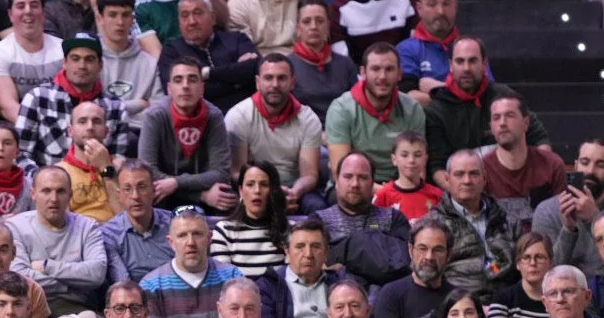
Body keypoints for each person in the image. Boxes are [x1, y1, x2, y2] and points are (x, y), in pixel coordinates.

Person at [423, 39, 547, 190]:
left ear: (484, 64)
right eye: (460, 61)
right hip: (464, 194)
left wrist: (537, 180)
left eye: (473, 61)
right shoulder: (436, 111)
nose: (466, 68)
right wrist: (468, 195)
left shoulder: (505, 96)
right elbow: (437, 168)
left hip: (514, 190)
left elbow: (540, 140)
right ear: (450, 65)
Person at [14, 33, 134, 170]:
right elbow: (20, 154)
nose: (82, 65)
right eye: (75, 59)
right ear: (64, 63)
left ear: (100, 65)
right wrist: (41, 178)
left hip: (99, 180)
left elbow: (118, 160)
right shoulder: (37, 98)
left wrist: (107, 173)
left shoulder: (116, 107)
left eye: (89, 59)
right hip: (47, 180)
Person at [530, 138, 604, 280]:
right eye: (585, 162)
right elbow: (546, 274)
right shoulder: (547, 211)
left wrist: (594, 218)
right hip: (560, 292)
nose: (590, 171)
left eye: (600, 165)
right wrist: (568, 230)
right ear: (576, 166)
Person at [224, 53, 322, 214]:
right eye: (268, 78)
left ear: (292, 82)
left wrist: (294, 193)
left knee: (316, 206)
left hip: (293, 189)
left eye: (282, 78)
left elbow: (309, 175)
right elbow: (236, 172)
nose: (275, 84)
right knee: (229, 203)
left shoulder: (308, 119)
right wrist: (268, 191)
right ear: (258, 82)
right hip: (254, 188)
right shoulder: (238, 116)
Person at [5, 166, 107, 318]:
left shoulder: (88, 227)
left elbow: (97, 273)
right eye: (46, 191)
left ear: (70, 195)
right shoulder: (15, 227)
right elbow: (20, 279)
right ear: (33, 194)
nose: (53, 199)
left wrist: (47, 266)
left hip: (80, 310)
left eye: (61, 191)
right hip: (31, 311)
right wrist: (72, 284)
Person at [139, 58, 234, 212]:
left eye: (192, 79)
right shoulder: (154, 116)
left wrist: (176, 182)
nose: (185, 86)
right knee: (147, 188)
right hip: (165, 193)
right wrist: (200, 196)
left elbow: (221, 173)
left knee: (225, 194)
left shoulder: (214, 116)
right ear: (169, 89)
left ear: (202, 87)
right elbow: (147, 171)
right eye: (178, 80)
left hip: (195, 188)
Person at [140, 207, 244, 318]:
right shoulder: (151, 285)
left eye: (197, 234)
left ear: (209, 238)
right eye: (182, 235)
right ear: (171, 242)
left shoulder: (232, 277)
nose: (190, 242)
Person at [325, 43, 422, 189]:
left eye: (389, 69)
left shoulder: (412, 108)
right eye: (375, 69)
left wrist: (403, 192)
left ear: (399, 74)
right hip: (354, 186)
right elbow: (339, 172)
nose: (382, 76)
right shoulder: (341, 109)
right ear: (363, 72)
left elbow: (418, 169)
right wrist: (386, 194)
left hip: (401, 186)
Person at [313, 153, 408, 289]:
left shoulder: (394, 218)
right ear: (337, 181)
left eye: (363, 177)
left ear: (372, 183)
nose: (355, 184)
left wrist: (344, 256)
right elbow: (315, 265)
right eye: (348, 176)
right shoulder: (319, 221)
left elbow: (401, 265)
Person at [158, 0, 258, 116]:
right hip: (201, 119)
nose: (192, 22)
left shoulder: (237, 39)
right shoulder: (171, 52)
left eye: (198, 13)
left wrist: (207, 73)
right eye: (185, 15)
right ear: (179, 23)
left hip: (248, 113)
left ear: (213, 18)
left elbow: (255, 71)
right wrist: (237, 80)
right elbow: (179, 93)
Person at [433, 149, 515, 298]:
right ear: (447, 179)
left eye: (474, 174)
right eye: (459, 174)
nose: (467, 181)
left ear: (484, 178)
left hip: (508, 300)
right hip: (459, 303)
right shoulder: (433, 225)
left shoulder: (506, 218)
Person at [481, 93, 566, 232]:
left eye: (510, 115)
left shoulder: (552, 165)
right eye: (496, 118)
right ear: (491, 127)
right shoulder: (481, 170)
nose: (502, 123)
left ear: (526, 123)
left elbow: (562, 222)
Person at [255, 217, 345, 318]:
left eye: (315, 246)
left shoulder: (340, 283)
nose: (308, 254)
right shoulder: (269, 285)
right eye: (300, 246)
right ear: (287, 251)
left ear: (326, 253)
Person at [0, 0, 63, 124]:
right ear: (10, 14)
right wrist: (43, 129)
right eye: (20, 6)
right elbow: (7, 107)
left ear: (44, 12)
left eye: (34, 5)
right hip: (16, 129)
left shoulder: (64, 50)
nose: (28, 11)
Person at [369, 215, 450, 318]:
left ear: (449, 254)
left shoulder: (457, 297)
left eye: (438, 250)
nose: (429, 257)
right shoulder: (391, 295)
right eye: (422, 248)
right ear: (411, 250)